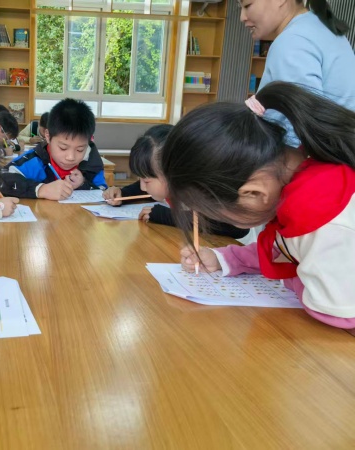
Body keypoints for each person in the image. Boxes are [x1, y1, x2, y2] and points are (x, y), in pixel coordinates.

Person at [160, 81, 355, 329]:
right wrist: (224, 258)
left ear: (253, 193)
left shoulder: (322, 215)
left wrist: (290, 279)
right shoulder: (304, 180)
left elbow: (338, 312)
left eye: (220, 215)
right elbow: (284, 248)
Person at [239, 0, 355, 147]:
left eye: (247, 5)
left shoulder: (291, 41)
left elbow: (298, 133)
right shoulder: (320, 27)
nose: (242, 17)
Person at [102, 125, 249, 240]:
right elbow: (144, 188)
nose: (142, 186)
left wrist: (170, 216)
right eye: (140, 178)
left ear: (172, 172)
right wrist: (123, 194)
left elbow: (237, 227)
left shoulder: (202, 186)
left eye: (146, 181)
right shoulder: (172, 180)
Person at [0, 98, 106, 200]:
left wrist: (83, 184)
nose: (71, 157)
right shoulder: (35, 161)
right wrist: (41, 189)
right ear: (48, 136)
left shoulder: (91, 163)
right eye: (63, 148)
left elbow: (102, 191)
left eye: (80, 150)